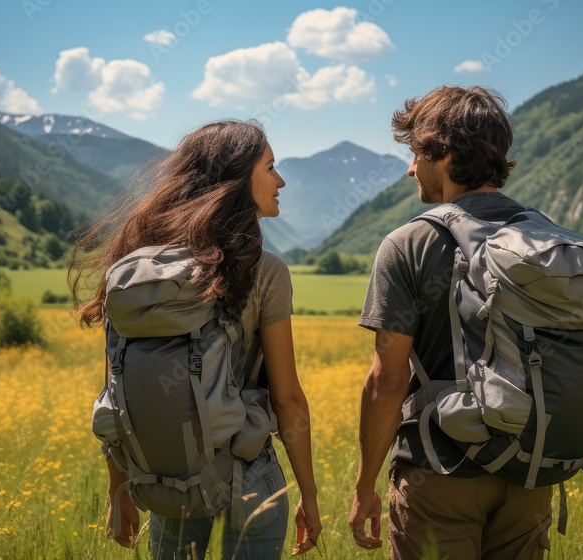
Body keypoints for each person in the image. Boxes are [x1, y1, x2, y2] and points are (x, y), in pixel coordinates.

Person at [70, 120, 322, 559]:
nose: (280, 181)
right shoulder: (264, 271)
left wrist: (120, 488)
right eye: (270, 167)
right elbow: (287, 401)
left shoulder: (136, 274)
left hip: (169, 479)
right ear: (237, 179)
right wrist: (310, 495)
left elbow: (117, 393)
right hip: (250, 478)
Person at [348, 86, 553, 559]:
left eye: (416, 153)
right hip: (530, 471)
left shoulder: (410, 243)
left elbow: (389, 378)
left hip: (439, 473)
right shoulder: (542, 234)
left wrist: (364, 487)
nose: (410, 167)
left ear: (444, 154)